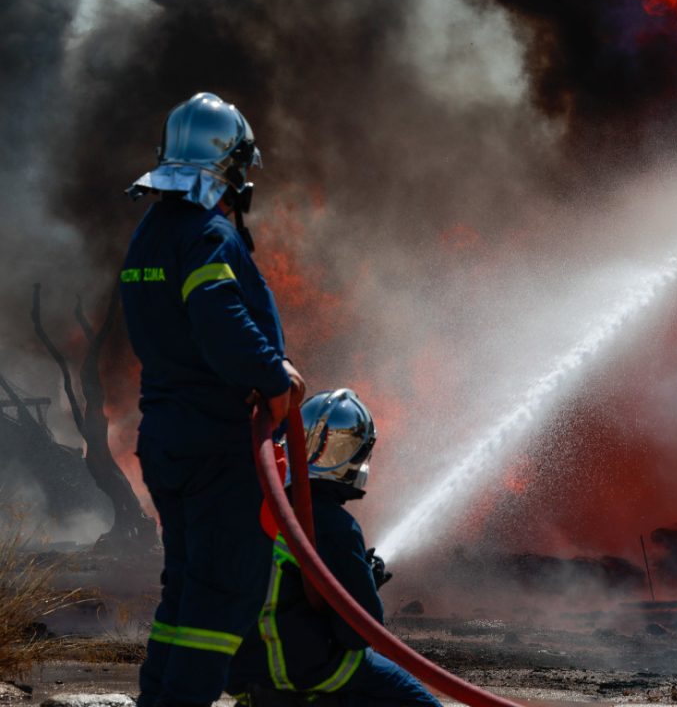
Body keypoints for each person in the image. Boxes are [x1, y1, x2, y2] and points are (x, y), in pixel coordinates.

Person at [120, 92, 305, 707]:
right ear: (230, 163)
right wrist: (272, 377)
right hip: (217, 440)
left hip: (167, 436)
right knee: (221, 591)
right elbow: (219, 316)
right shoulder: (208, 234)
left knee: (185, 589)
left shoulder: (150, 235)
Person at [228, 388, 441, 707]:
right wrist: (366, 582)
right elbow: (361, 633)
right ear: (353, 454)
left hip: (248, 676)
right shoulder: (334, 527)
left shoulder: (260, 510)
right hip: (308, 674)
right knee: (418, 701)